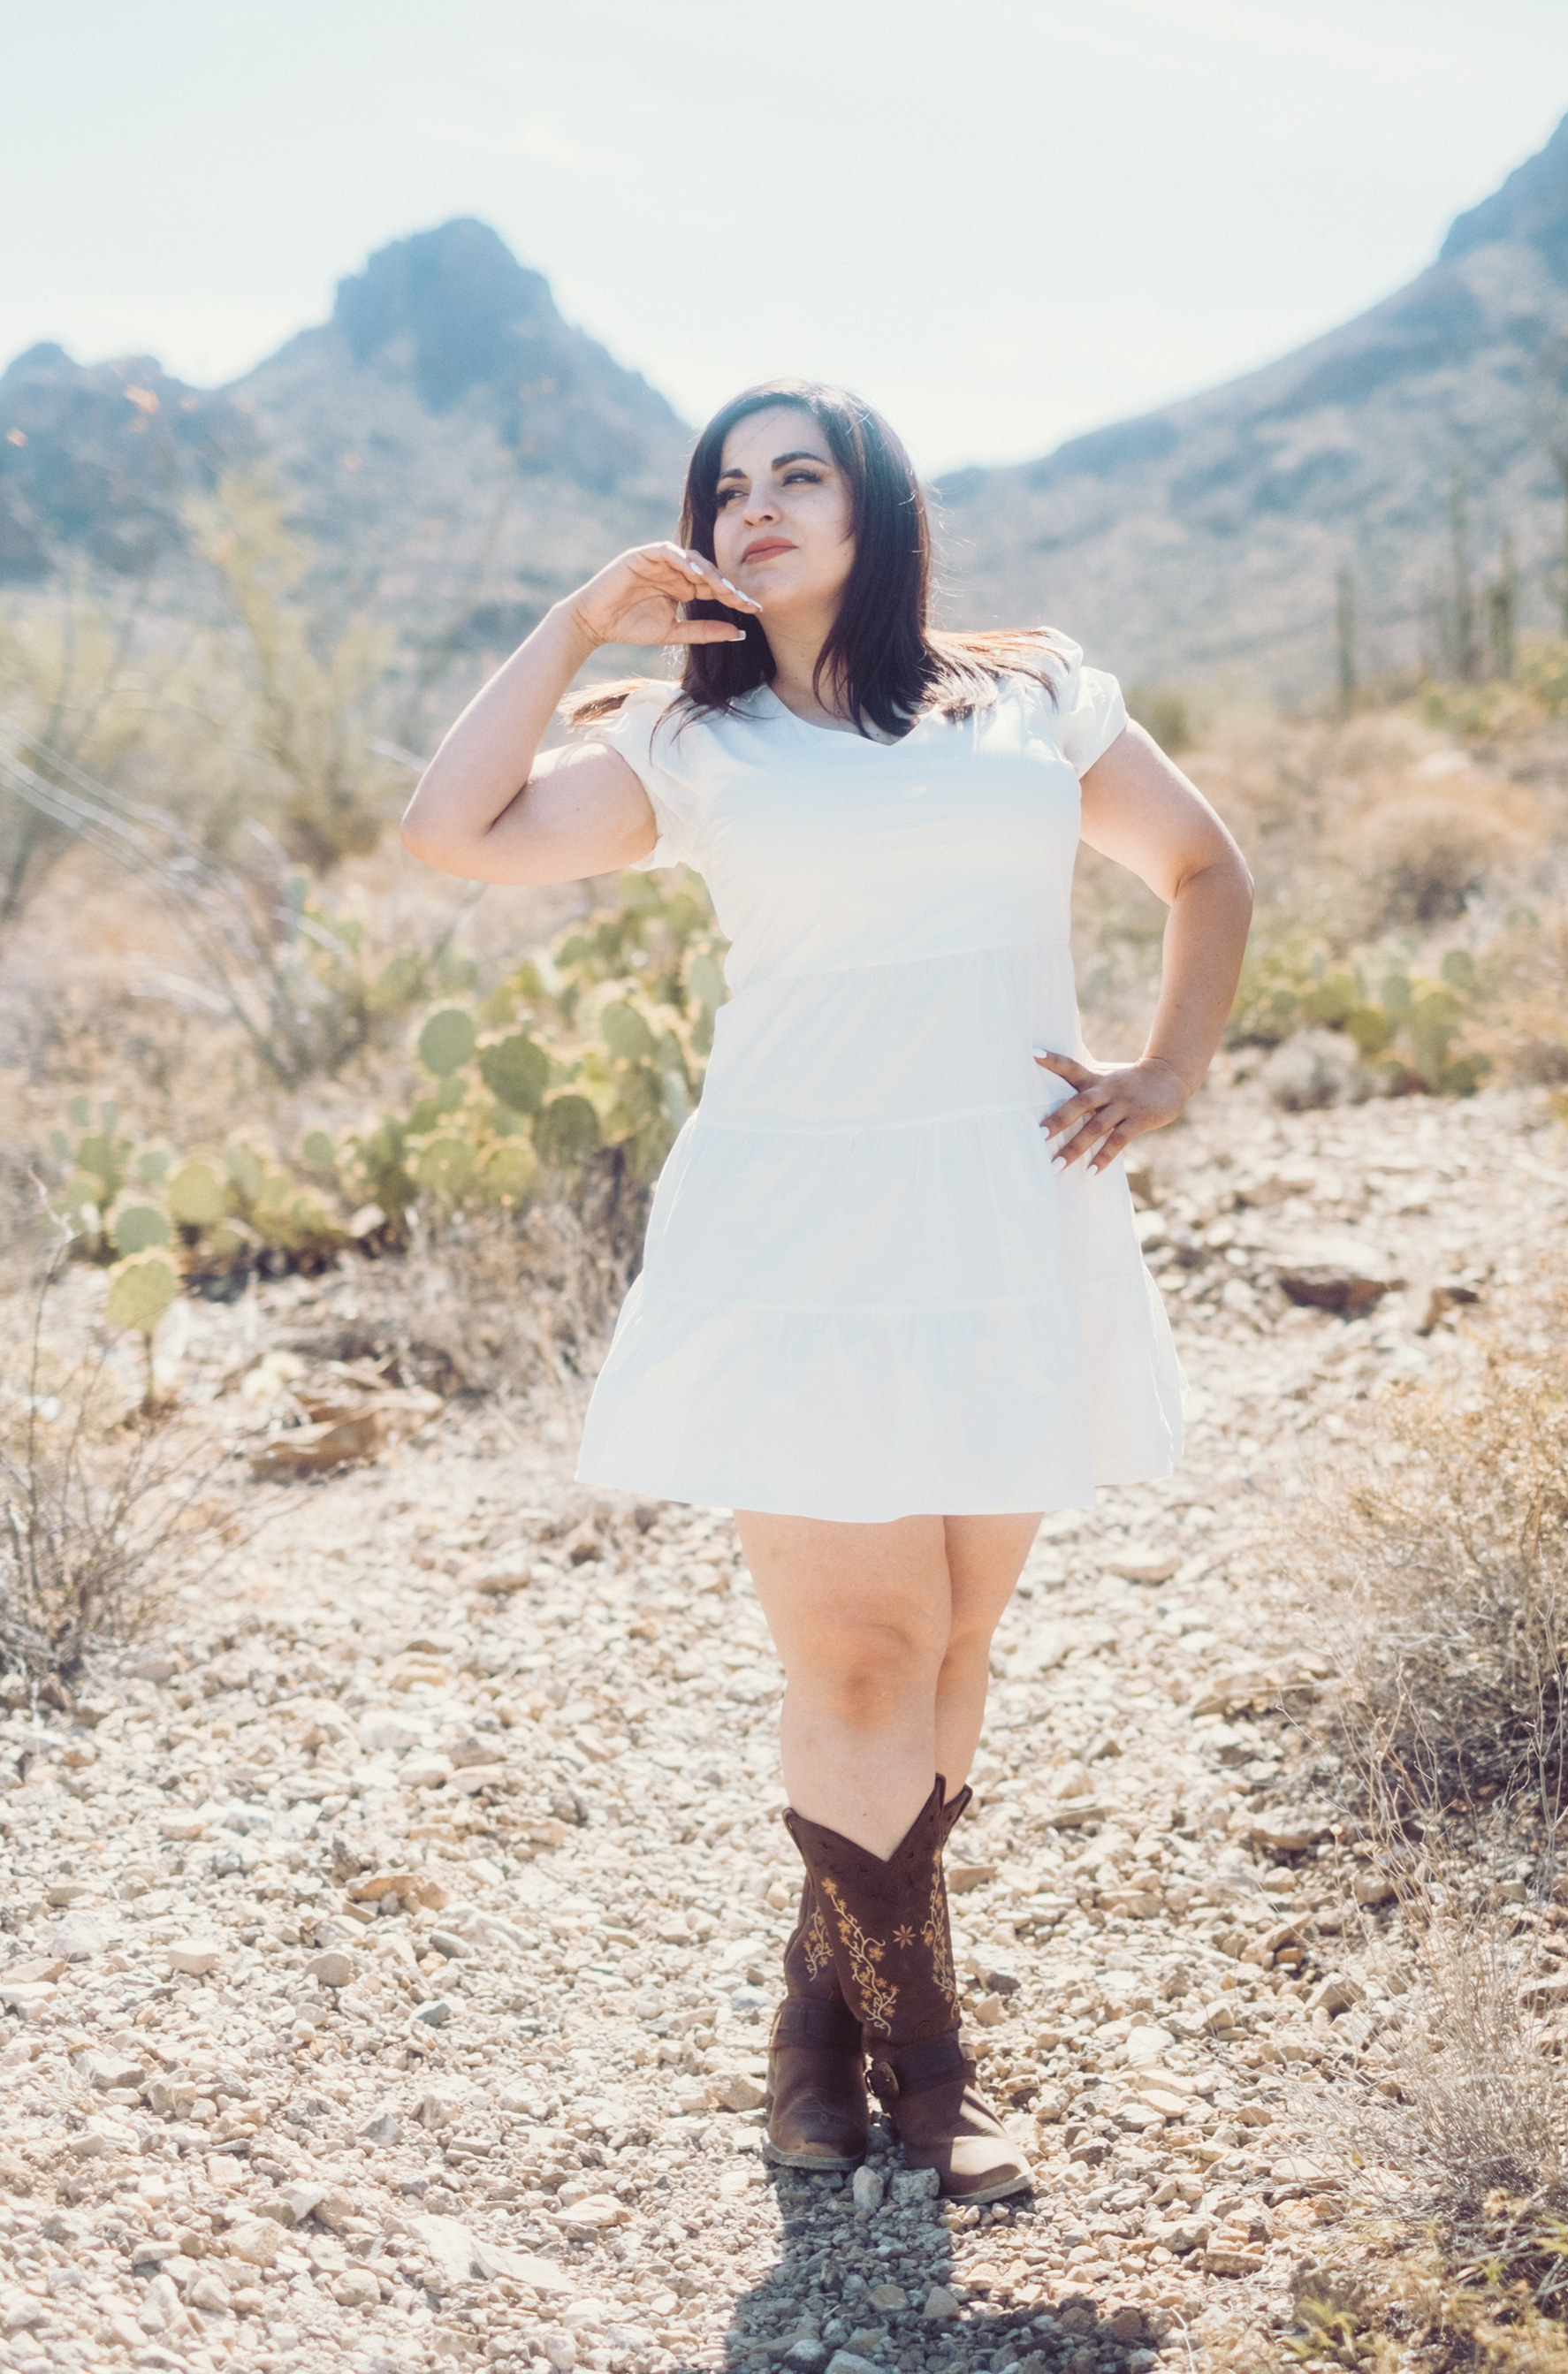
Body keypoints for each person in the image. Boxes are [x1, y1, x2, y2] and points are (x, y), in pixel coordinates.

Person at [400, 379, 1252, 2203]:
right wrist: (576, 627)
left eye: (800, 474)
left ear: (878, 507)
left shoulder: (1027, 693)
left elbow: (1202, 866)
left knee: (951, 1652)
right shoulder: (685, 742)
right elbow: (450, 831)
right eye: (727, 488)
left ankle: (815, 2021)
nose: (758, 507)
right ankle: (931, 2070)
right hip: (796, 1235)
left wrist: (1171, 1065)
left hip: (1010, 1219)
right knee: (861, 1656)